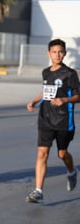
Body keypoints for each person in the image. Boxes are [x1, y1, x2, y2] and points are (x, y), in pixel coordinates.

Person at [26, 38, 79, 203]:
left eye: (60, 52)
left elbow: (78, 96)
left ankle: (71, 171)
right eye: (54, 52)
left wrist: (64, 100)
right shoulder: (46, 72)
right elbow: (46, 91)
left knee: (62, 154)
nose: (57, 55)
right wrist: (34, 101)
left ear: (65, 53)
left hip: (64, 120)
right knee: (42, 154)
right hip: (45, 119)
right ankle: (38, 191)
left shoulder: (70, 74)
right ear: (48, 53)